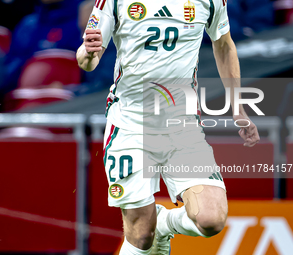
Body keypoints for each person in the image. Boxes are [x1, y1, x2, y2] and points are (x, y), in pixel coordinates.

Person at [77, 1, 260, 254]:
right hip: (130, 123)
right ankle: (154, 225)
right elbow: (87, 59)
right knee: (141, 235)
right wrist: (87, 52)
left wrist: (238, 107)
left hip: (181, 124)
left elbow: (224, 44)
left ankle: (164, 223)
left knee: (211, 219)